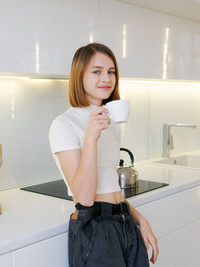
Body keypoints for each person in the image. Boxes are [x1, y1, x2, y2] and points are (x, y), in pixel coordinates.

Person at [49, 43, 158, 267]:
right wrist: (90, 138)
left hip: (125, 222)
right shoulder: (64, 124)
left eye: (111, 71)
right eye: (96, 71)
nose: (106, 78)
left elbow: (111, 189)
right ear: (79, 76)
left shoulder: (110, 123)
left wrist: (141, 221)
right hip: (96, 230)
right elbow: (84, 198)